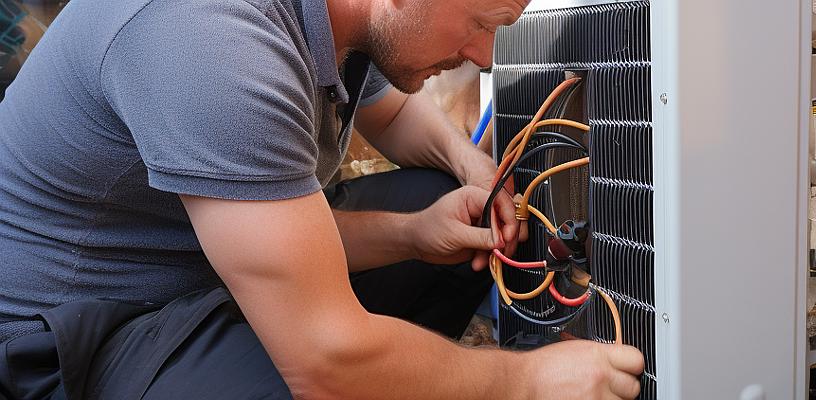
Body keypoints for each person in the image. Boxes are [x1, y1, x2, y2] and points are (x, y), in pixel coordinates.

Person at [0, 0, 645, 398]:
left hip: (199, 267)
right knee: (342, 378)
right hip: (73, 340)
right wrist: (525, 384)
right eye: (483, 25)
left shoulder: (344, 18)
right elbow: (326, 363)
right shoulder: (214, 40)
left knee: (442, 197)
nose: (481, 57)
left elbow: (384, 123)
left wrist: (459, 183)